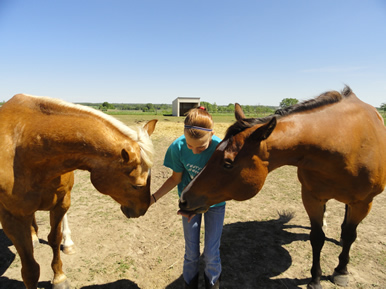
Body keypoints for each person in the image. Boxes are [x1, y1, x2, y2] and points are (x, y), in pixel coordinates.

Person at [150, 106, 225, 289]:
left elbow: (224, 183)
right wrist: (153, 198)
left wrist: (205, 204)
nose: (194, 151)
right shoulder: (177, 147)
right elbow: (176, 178)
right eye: (190, 145)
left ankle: (213, 284)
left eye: (201, 147)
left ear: (212, 134)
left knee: (211, 253)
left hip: (214, 204)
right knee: (191, 252)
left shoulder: (221, 148)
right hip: (189, 204)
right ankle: (190, 285)